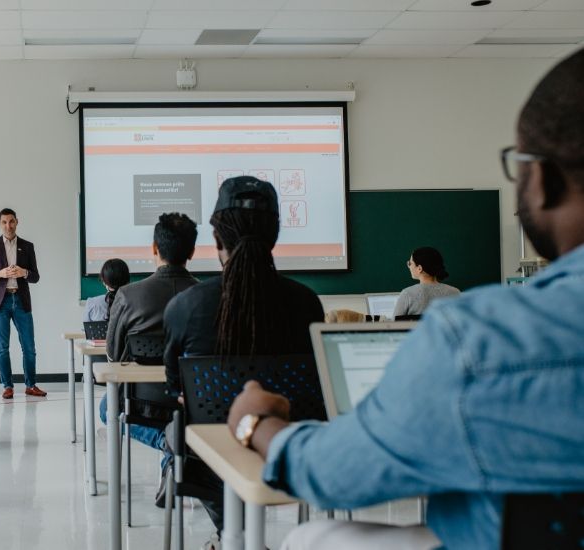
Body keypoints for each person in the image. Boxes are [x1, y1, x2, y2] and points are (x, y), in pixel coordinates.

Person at [226, 47, 584, 550]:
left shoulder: (480, 340)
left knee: (313, 536)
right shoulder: (460, 302)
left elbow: (332, 475)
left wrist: (254, 422)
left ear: (541, 179)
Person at [163, 176, 324, 539]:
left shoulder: (185, 306)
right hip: (287, 443)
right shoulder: (307, 303)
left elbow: (176, 385)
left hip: (207, 452)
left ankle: (230, 536)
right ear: (275, 237)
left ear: (217, 239)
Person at [98, 213, 198, 483]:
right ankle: (180, 443)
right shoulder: (206, 296)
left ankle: (169, 442)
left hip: (141, 401)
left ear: (154, 248)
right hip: (196, 401)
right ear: (192, 251)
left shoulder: (128, 295)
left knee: (108, 408)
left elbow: (113, 356)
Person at [0, 208, 46, 399]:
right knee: (2, 347)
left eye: (11, 221)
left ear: (17, 222)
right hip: (0, 302)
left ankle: (31, 385)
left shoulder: (27, 246)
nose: (8, 225)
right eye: (4, 222)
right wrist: (0, 274)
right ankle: (7, 386)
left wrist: (24, 273)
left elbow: (36, 276)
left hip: (21, 300)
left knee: (29, 347)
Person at [393, 246, 460, 317]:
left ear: (419, 268)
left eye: (410, 263)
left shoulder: (407, 294)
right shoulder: (455, 293)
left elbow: (393, 325)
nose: (409, 266)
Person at [83, 258, 130, 322]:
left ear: (104, 282)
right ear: (128, 280)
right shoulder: (136, 304)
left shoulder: (92, 304)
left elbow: (87, 330)